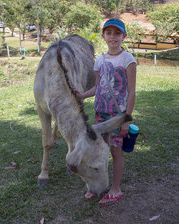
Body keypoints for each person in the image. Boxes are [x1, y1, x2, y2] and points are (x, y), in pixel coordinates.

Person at [73, 18, 137, 205]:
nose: (113, 37)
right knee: (100, 151)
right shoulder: (99, 61)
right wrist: (83, 95)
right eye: (109, 33)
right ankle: (98, 186)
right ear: (103, 36)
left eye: (117, 33)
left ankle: (116, 189)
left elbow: (132, 91)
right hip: (101, 114)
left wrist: (126, 119)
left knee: (116, 152)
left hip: (117, 117)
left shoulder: (128, 60)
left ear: (124, 36)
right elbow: (97, 87)